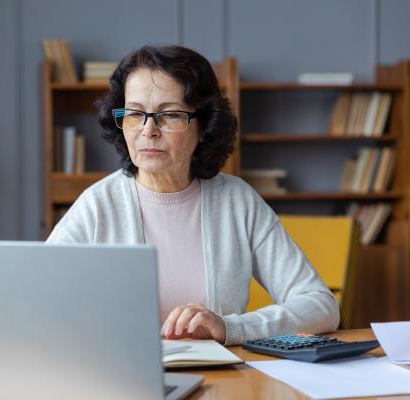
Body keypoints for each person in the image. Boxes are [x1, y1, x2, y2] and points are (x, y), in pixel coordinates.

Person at [46, 45, 339, 346]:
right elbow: (39, 299)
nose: (148, 130)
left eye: (169, 114)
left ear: (204, 126)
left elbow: (320, 306)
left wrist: (229, 328)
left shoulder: (237, 202)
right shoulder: (97, 205)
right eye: (135, 114)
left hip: (223, 382)